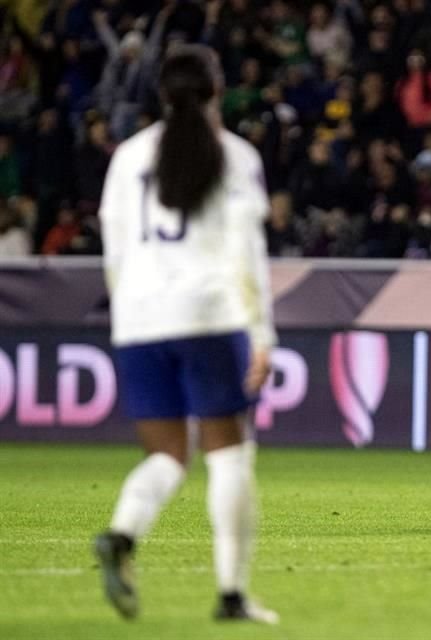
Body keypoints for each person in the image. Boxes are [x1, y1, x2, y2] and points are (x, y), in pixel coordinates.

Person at [94, 45, 277, 623]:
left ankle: (123, 533)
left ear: (160, 96)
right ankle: (231, 595)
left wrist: (132, 308)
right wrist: (262, 333)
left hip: (140, 321)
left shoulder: (127, 157)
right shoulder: (233, 155)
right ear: (216, 92)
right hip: (209, 316)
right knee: (228, 455)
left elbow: (114, 243)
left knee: (169, 455)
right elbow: (247, 253)